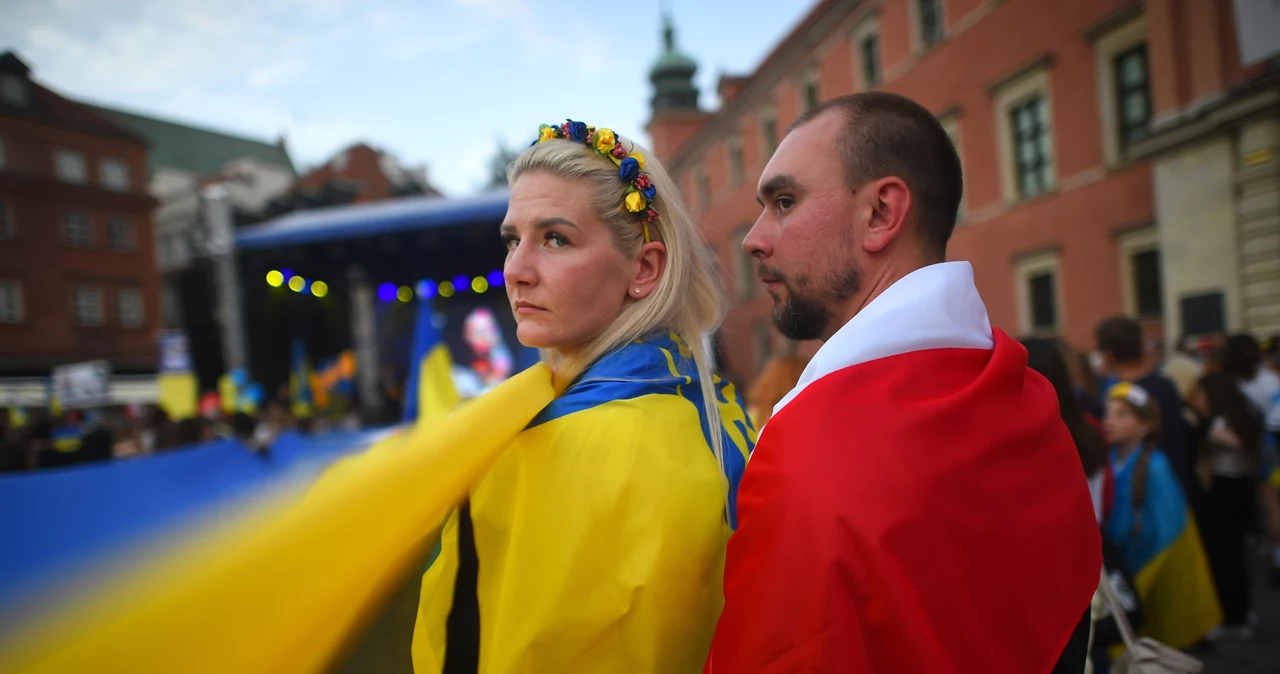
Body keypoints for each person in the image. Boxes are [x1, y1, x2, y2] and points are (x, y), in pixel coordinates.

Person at [706, 92, 1100, 673]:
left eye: (785, 202)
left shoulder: (810, 452)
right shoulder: (1028, 397)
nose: (754, 239)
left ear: (882, 214)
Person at [412, 120, 755, 673]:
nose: (516, 271)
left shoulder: (543, 449)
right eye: (512, 240)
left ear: (644, 269)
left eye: (555, 238)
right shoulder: (714, 405)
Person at [1100, 382, 1222, 650]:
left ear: (1145, 426)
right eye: (1107, 413)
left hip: (1142, 564)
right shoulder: (1108, 461)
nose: (1108, 422)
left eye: (1122, 415)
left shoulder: (1156, 467)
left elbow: (1166, 531)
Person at [1095, 317, 1194, 497]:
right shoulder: (1165, 385)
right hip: (1174, 484)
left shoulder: (1110, 393)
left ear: (1108, 354)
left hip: (1131, 492)